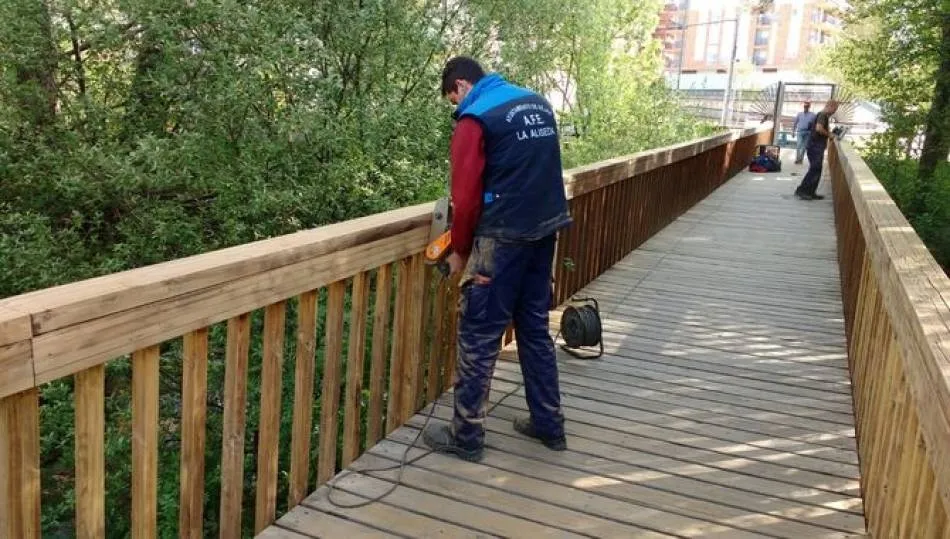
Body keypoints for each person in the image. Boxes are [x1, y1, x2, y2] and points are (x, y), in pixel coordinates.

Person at [422, 56, 572, 462]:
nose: (455, 105)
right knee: (534, 330)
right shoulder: (536, 102)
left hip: (501, 241)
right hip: (544, 232)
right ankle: (549, 424)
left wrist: (461, 252)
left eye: (452, 97)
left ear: (460, 86)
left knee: (479, 335)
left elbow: (467, 199)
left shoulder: (475, 119)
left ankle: (466, 436)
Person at [794, 100, 839, 201]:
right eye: (835, 109)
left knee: (816, 169)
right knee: (814, 169)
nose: (834, 112)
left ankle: (810, 192)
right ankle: (803, 191)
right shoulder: (823, 115)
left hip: (815, 146)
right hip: (815, 146)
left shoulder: (822, 115)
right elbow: (819, 128)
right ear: (830, 106)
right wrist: (830, 134)